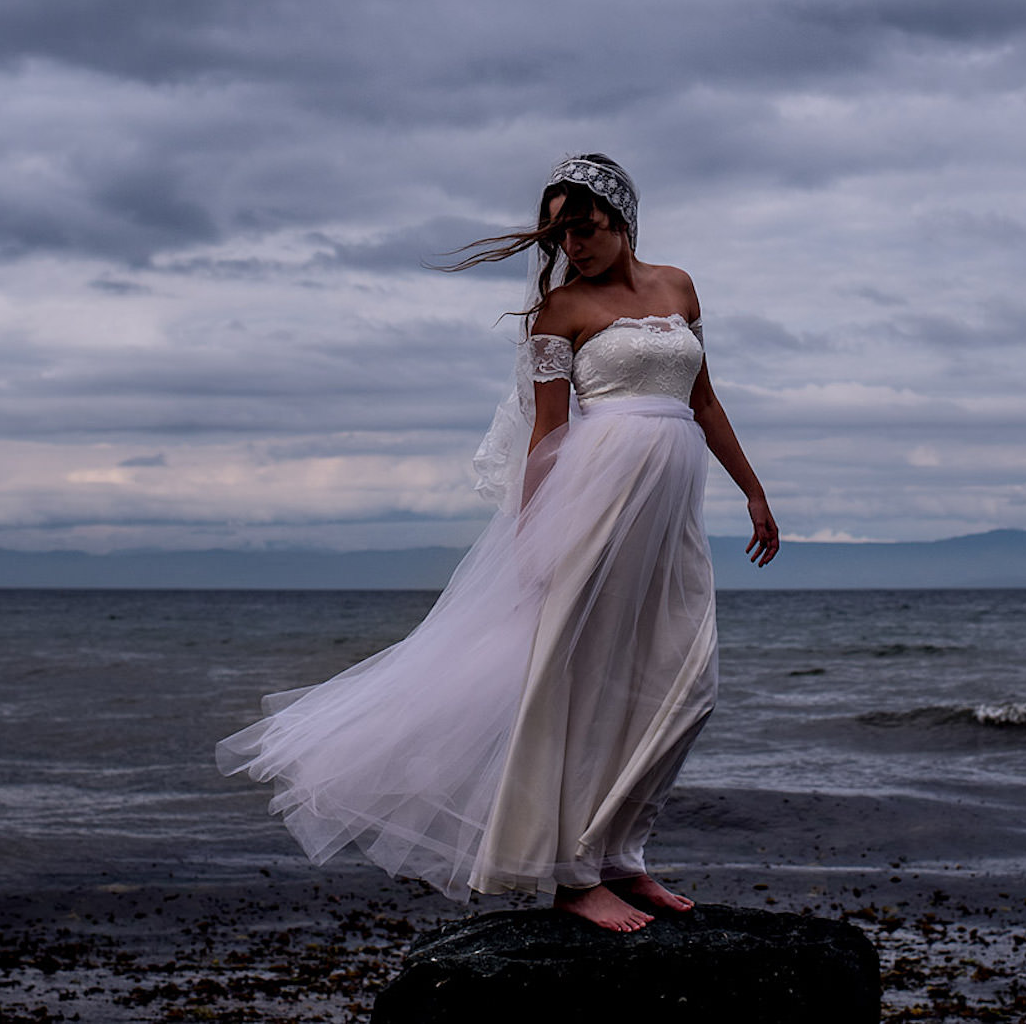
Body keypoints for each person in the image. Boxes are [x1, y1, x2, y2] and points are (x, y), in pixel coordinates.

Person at [216, 153, 780, 932]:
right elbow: (550, 431)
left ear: (622, 220)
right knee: (576, 685)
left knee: (683, 682)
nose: (573, 246)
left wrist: (753, 490)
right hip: (595, 508)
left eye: (584, 229)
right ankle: (574, 874)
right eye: (560, 234)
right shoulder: (558, 312)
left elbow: (704, 397)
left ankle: (622, 854)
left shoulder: (679, 286)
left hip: (672, 515)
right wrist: (534, 536)